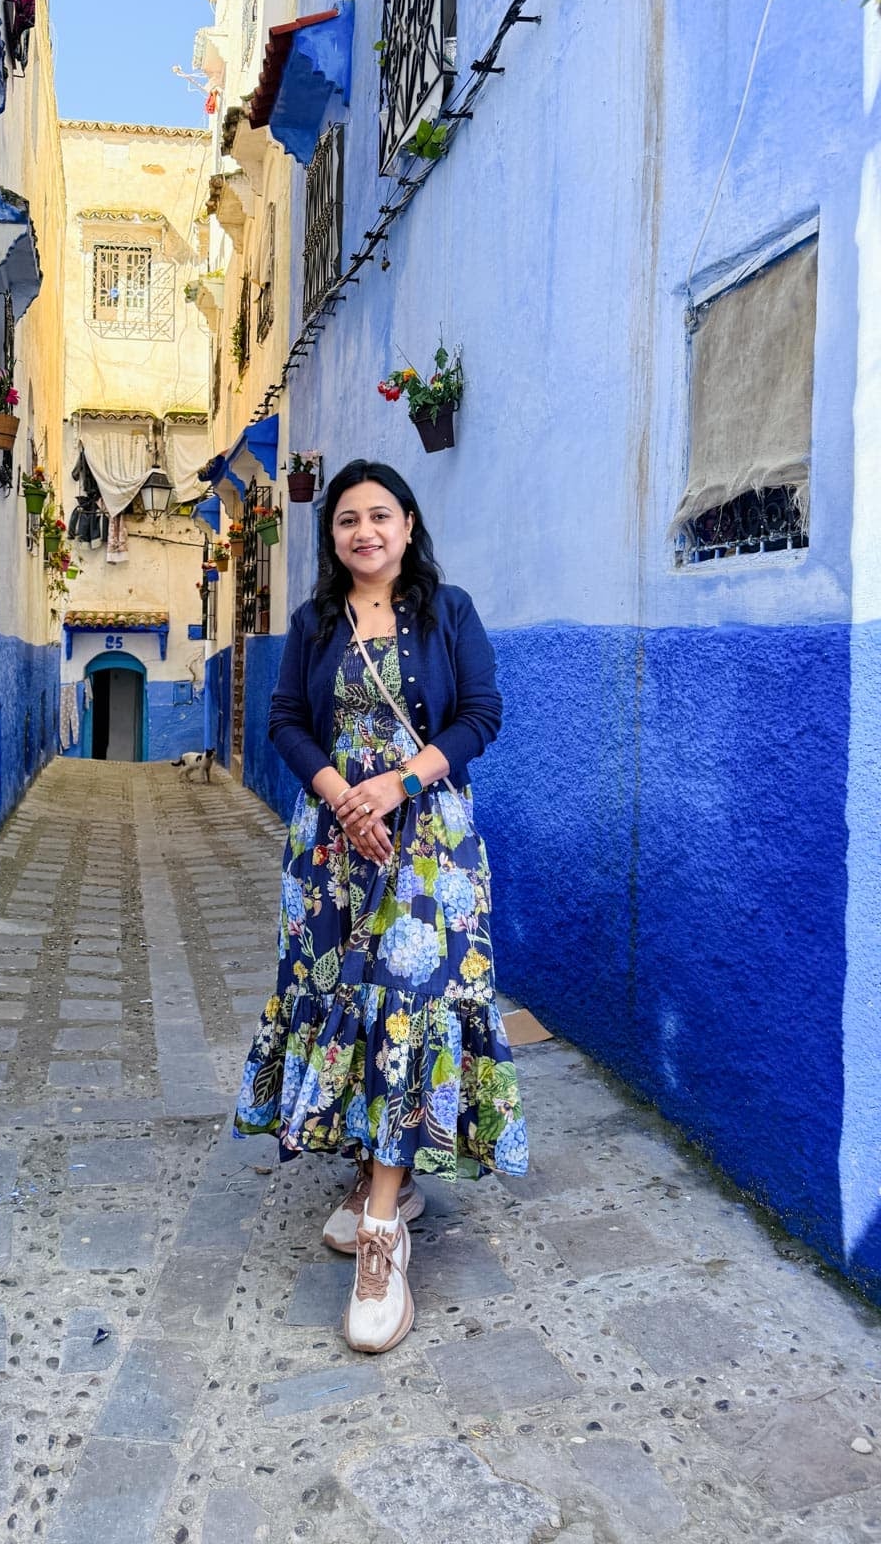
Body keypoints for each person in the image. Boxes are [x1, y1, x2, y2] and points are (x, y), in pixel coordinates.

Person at [233, 459, 528, 1355]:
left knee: (407, 1009)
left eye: (380, 517)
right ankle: (378, 1178)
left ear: (407, 526)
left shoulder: (449, 611)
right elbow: (286, 719)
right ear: (333, 538)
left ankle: (382, 1233)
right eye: (347, 520)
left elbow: (481, 714)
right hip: (331, 848)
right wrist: (341, 796)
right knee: (351, 1007)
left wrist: (395, 787)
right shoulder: (315, 622)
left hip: (428, 846)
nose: (364, 532)